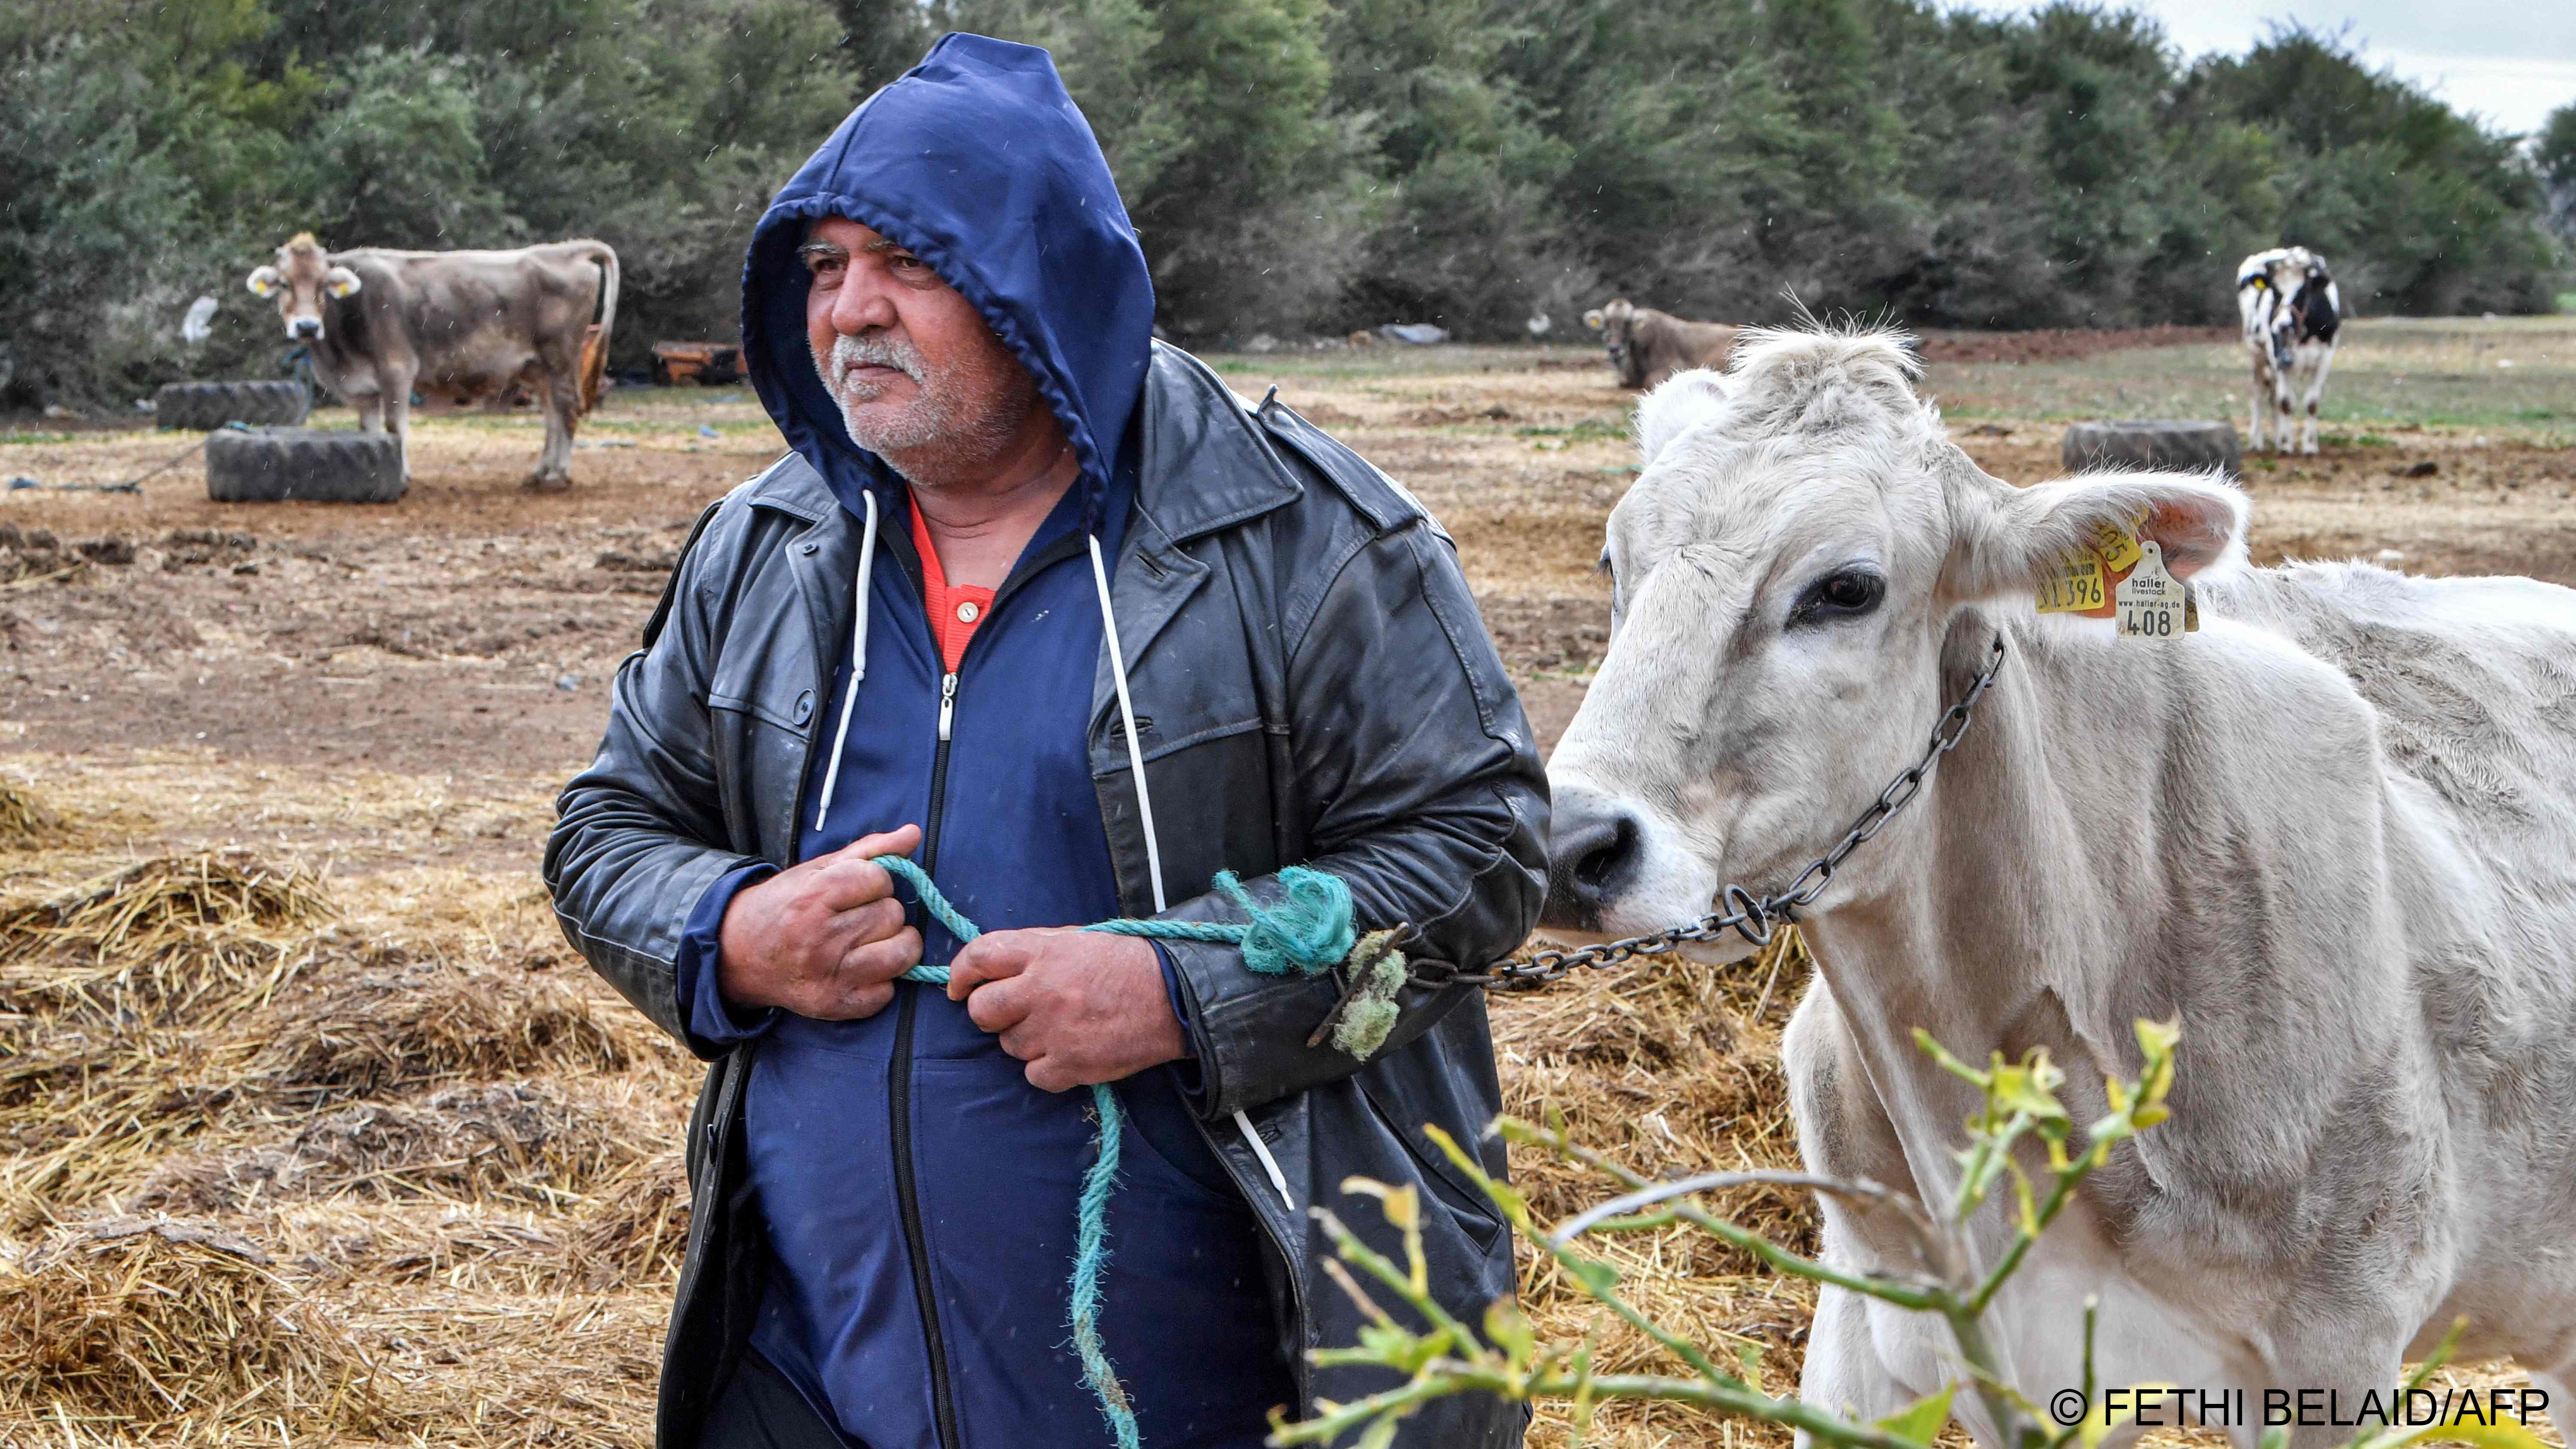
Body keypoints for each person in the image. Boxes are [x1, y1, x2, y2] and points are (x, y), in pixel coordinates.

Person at [544, 33, 1546, 1449]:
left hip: (1240, 1390)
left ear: (1040, 282)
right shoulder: (767, 547)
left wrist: (1184, 990)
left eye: (910, 263)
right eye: (825, 270)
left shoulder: (1300, 534)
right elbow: (604, 831)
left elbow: (1486, 847)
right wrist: (731, 933)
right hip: (810, 1383)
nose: (852, 314)